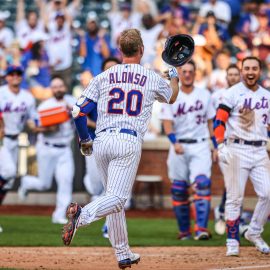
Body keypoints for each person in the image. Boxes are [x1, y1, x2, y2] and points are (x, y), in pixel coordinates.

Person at [62, 29, 180, 269]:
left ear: (119, 51)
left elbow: (77, 112)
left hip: (102, 141)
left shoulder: (104, 76)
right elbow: (172, 97)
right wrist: (174, 75)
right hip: (128, 140)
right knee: (117, 198)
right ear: (141, 50)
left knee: (112, 197)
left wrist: (85, 139)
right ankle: (81, 216)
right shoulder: (150, 76)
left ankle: (123, 253)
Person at [214, 56, 270, 256]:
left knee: (268, 194)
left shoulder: (267, 95)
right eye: (247, 68)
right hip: (237, 149)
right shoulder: (232, 93)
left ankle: (254, 232)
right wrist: (220, 144)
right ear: (242, 70)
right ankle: (232, 241)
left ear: (260, 70)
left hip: (260, 150)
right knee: (235, 197)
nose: (250, 72)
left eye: (254, 68)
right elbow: (219, 121)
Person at [160, 60, 217, 240]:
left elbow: (211, 123)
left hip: (200, 144)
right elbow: (167, 124)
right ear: (179, 74)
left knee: (202, 184)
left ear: (195, 73)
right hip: (179, 145)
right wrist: (174, 141)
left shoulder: (205, 94)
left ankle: (201, 229)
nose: (187, 74)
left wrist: (216, 146)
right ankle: (184, 231)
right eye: (184, 72)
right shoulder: (172, 95)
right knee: (178, 188)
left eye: (190, 71)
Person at [18, 77, 76, 224]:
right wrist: (47, 128)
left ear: (65, 87)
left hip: (65, 149)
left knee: (66, 180)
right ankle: (26, 182)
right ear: (51, 89)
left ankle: (59, 215)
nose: (58, 89)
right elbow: (33, 125)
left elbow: (82, 117)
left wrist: (74, 112)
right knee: (44, 184)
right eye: (55, 87)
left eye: (60, 86)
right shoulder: (45, 106)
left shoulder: (73, 101)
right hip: (47, 146)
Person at [83, 57, 121, 238]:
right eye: (108, 68)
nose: (111, 71)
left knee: (115, 189)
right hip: (96, 141)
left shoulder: (126, 89)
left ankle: (109, 226)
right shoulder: (96, 87)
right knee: (96, 187)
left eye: (114, 68)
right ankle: (86, 216)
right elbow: (80, 113)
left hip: (119, 143)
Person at [0, 65, 36, 205]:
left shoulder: (27, 97)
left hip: (15, 139)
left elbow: (32, 118)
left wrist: (34, 124)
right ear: (7, 77)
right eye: (12, 74)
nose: (15, 76)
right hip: (2, 140)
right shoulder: (1, 92)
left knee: (8, 183)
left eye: (18, 73)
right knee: (8, 172)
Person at [212, 64, 241, 235]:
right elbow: (213, 122)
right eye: (230, 74)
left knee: (237, 182)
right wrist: (216, 146)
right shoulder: (217, 96)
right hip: (225, 143)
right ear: (226, 76)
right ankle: (226, 213)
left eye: (236, 74)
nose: (233, 77)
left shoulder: (245, 95)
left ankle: (225, 211)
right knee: (232, 182)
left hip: (242, 143)